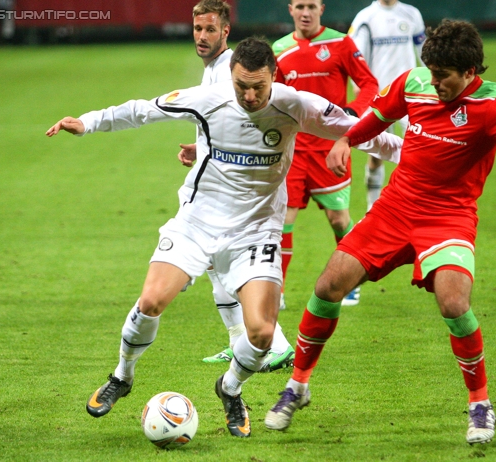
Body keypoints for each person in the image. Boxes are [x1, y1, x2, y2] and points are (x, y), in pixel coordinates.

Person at [46, 37, 402, 438]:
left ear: (274, 78)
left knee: (263, 335)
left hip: (256, 231)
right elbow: (144, 110)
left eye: (258, 87)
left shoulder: (296, 104)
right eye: (241, 86)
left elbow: (364, 130)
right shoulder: (209, 98)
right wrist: (89, 121)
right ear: (231, 76)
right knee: (151, 302)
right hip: (197, 222)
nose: (249, 96)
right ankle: (122, 376)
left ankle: (230, 389)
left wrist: (416, 157)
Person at [265, 19, 496, 445]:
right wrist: (348, 140)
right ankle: (297, 387)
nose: (434, 81)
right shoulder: (417, 81)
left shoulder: (493, 103)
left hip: (449, 216)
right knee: (328, 286)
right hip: (395, 209)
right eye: (432, 72)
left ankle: (479, 405)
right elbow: (378, 115)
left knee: (455, 304)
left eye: (444, 76)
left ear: (470, 73)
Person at [182, 0, 295, 372]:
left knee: (224, 263)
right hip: (213, 179)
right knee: (216, 264)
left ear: (225, 31)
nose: (202, 36)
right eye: (198, 29)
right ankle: (240, 340)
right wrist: (198, 150)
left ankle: (273, 343)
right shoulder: (214, 69)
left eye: (210, 30)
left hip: (227, 190)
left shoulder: (228, 72)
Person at [272, 0, 380, 307]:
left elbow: (369, 84)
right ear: (290, 9)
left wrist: (353, 111)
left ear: (322, 8)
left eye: (312, 6)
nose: (306, 13)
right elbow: (274, 97)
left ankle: (351, 281)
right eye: (300, 6)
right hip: (293, 150)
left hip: (330, 149)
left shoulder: (341, 43)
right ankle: (276, 289)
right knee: (283, 219)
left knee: (337, 218)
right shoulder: (279, 49)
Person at [349, 0, 426, 211]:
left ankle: (416, 206)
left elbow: (425, 52)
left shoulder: (411, 14)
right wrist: (359, 86)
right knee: (375, 156)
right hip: (380, 97)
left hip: (412, 95)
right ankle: (372, 207)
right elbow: (356, 58)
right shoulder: (366, 18)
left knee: (417, 153)